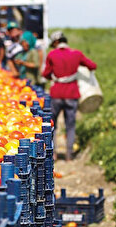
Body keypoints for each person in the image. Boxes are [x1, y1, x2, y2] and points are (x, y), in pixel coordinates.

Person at [42, 31, 97, 161]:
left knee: (52, 124)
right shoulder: (76, 54)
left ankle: (53, 153)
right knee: (70, 124)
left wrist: (55, 77)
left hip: (57, 94)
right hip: (72, 93)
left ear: (56, 43)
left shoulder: (52, 54)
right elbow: (92, 66)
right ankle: (69, 154)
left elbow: (45, 74)